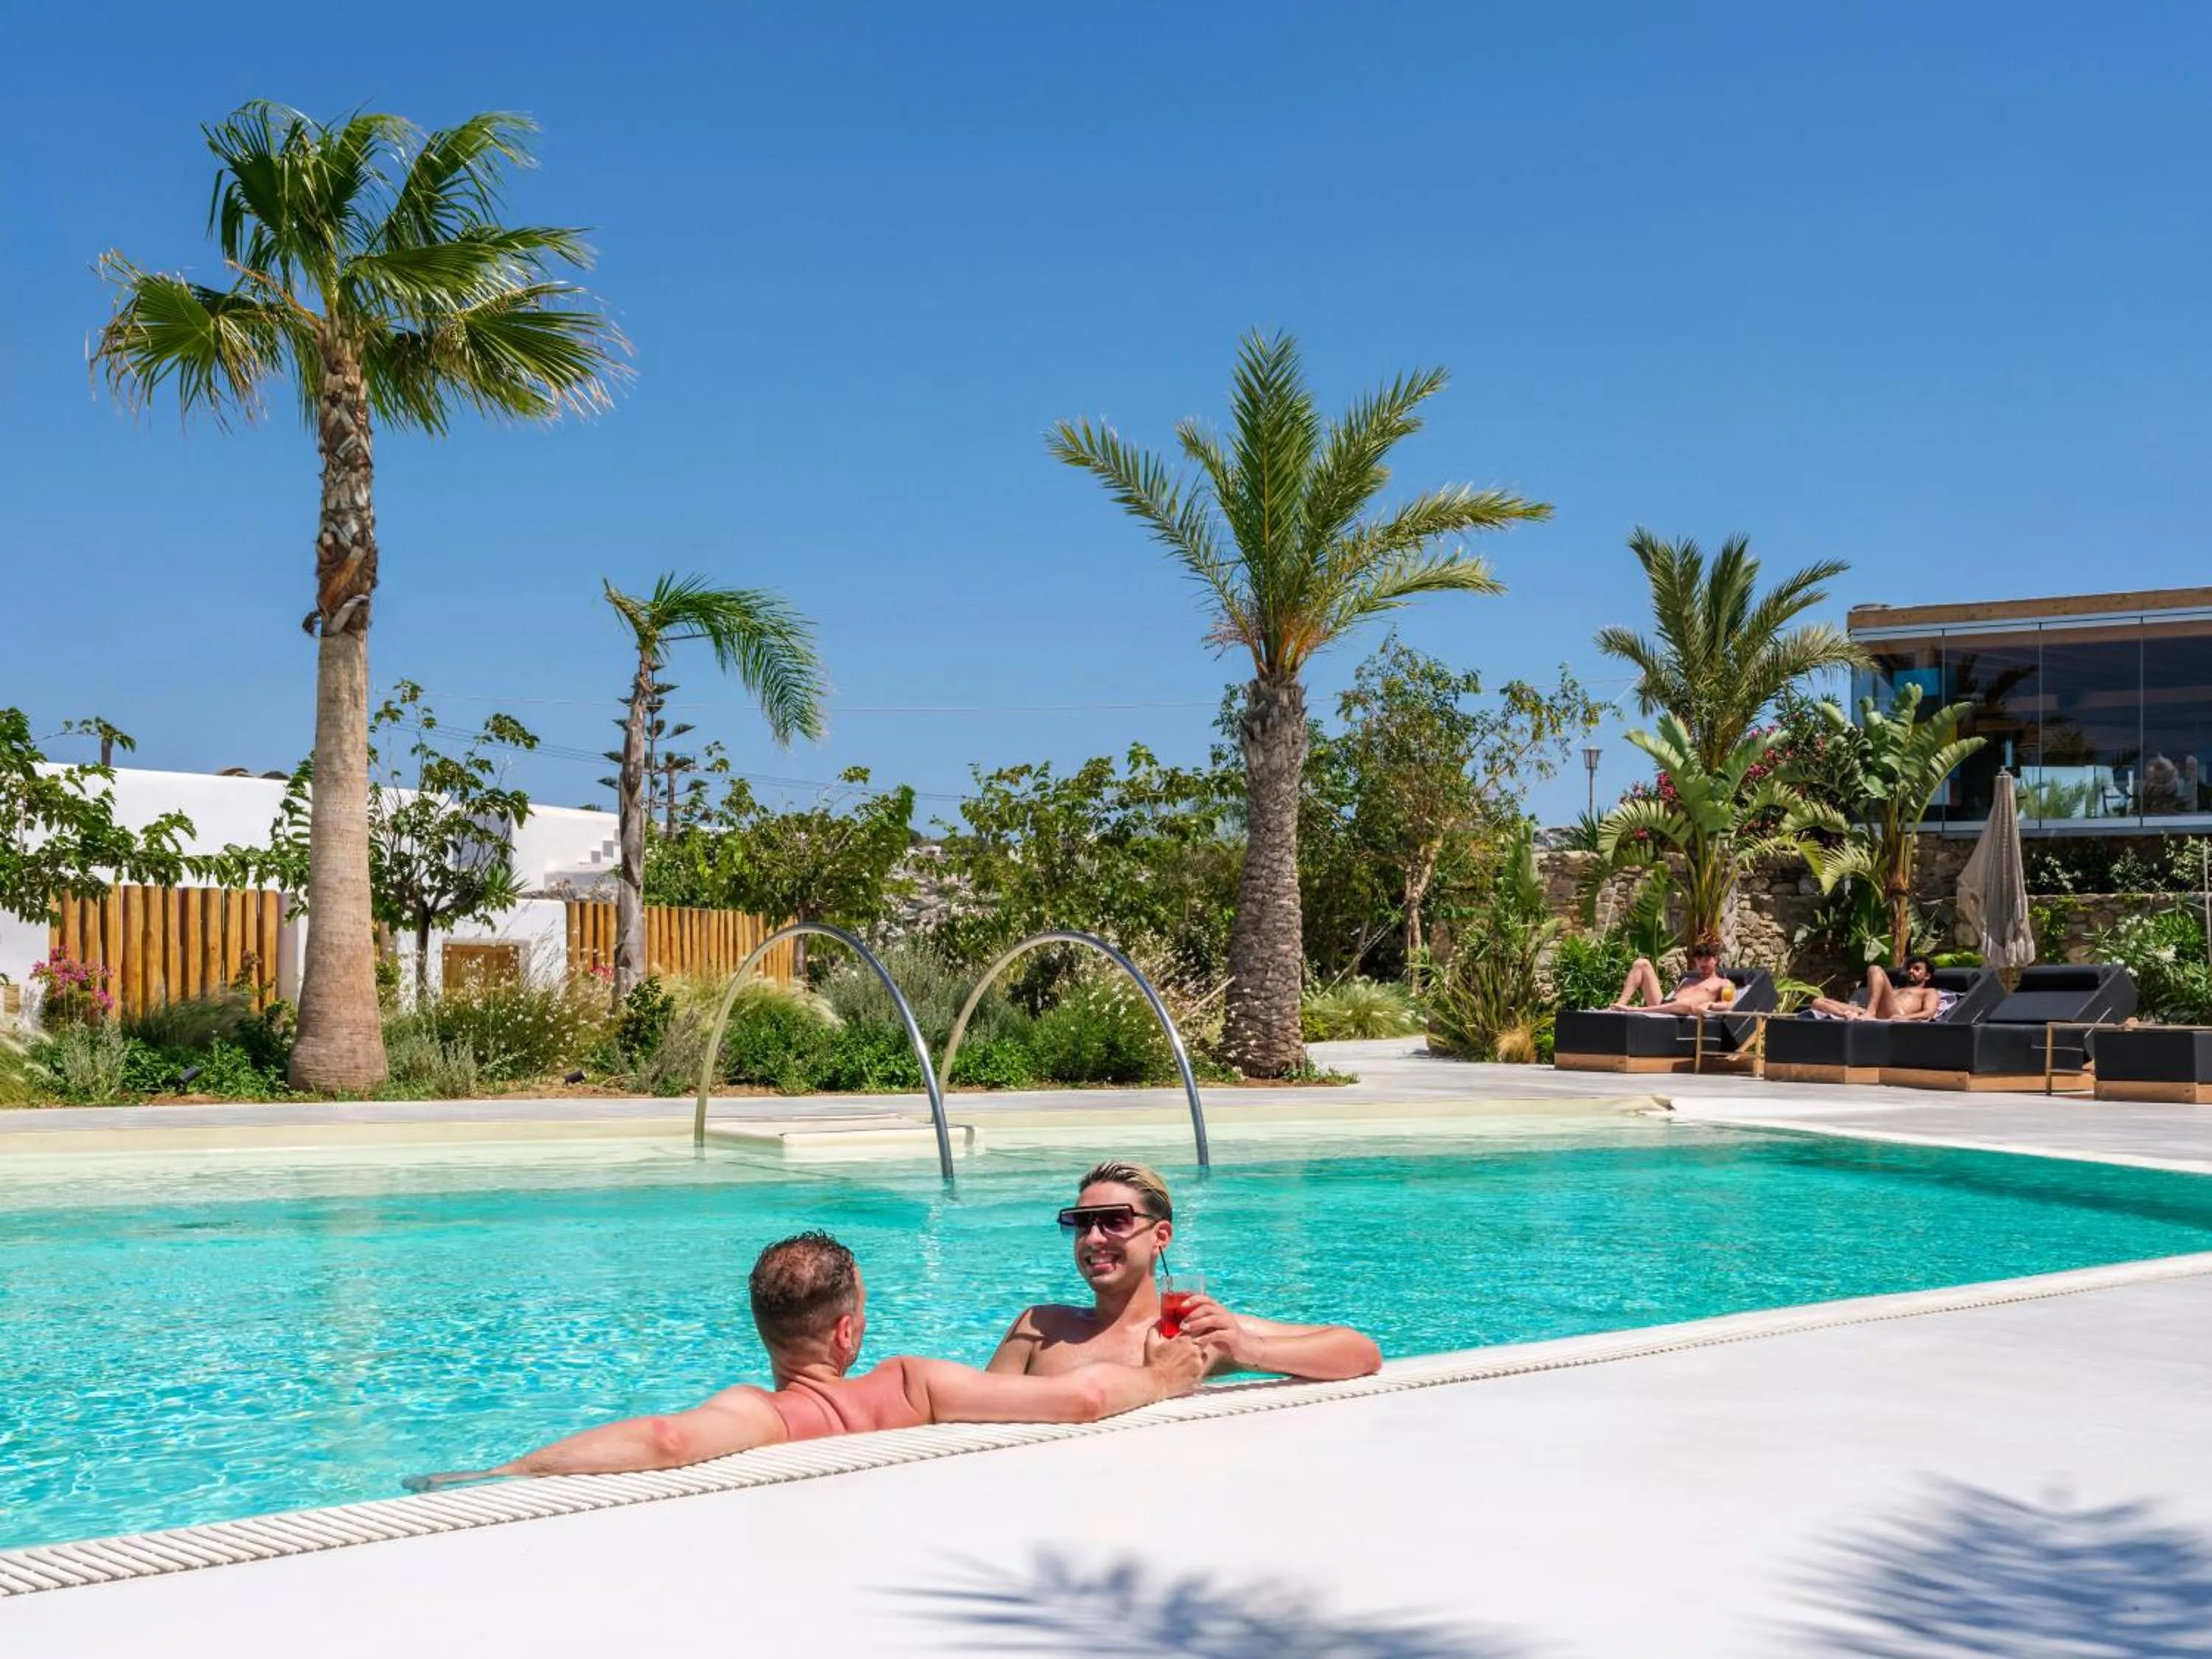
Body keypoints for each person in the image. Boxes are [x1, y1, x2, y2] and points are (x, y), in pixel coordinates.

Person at [405, 1231, 1206, 1489]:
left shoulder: (765, 1414)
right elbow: (1081, 1399)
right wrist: (1160, 1378)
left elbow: (664, 1440)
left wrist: (506, 1473)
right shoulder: (913, 1384)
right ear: (849, 1332)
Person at [987, 1161, 1382, 1383]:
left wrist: (1247, 1348)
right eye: (1081, 1223)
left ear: (1160, 1236)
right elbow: (977, 1411)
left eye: (1114, 1221)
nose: (1093, 1238)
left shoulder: (1192, 1332)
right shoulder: (1040, 1328)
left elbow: (1361, 1352)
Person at [1805, 955, 1944, 1022]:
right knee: (1818, 1002)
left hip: (1895, 1013)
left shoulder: (1929, 992)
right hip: (1874, 1011)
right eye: (1910, 969)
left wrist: (1904, 1018)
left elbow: (1929, 1013)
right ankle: (1846, 1016)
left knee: (1875, 969)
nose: (1911, 971)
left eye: (1917, 969)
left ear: (1927, 976)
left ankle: (1870, 1013)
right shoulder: (1897, 989)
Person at [1610, 943, 1733, 1014]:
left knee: (1685, 1004)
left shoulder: (1724, 983)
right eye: (1699, 959)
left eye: (1706, 959)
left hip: (1684, 1012)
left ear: (1715, 959)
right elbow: (1669, 998)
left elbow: (1729, 1004)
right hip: (1665, 1006)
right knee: (1642, 964)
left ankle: (1635, 1010)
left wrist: (1710, 1005)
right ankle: (1618, 1006)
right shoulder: (1687, 980)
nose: (1702, 963)